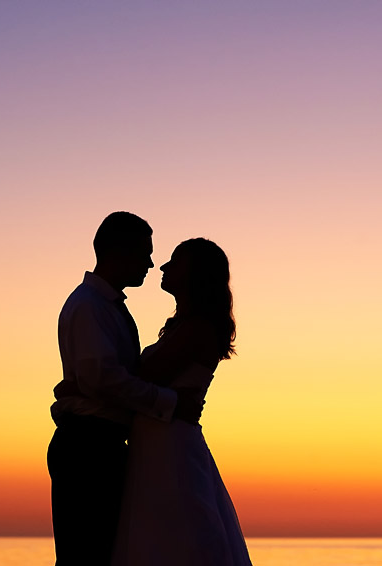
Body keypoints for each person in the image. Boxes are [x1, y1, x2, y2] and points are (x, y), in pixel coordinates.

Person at [47, 212, 204, 566]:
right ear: (119, 251)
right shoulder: (90, 306)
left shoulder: (106, 306)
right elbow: (104, 380)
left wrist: (80, 387)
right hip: (89, 447)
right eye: (144, 253)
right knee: (86, 556)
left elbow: (103, 378)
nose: (151, 263)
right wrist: (171, 403)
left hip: (99, 444)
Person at [112, 238, 253, 566]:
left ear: (196, 274)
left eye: (175, 261)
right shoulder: (185, 328)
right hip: (159, 441)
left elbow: (139, 378)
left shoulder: (197, 330)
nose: (163, 267)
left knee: (177, 537)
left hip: (171, 445)